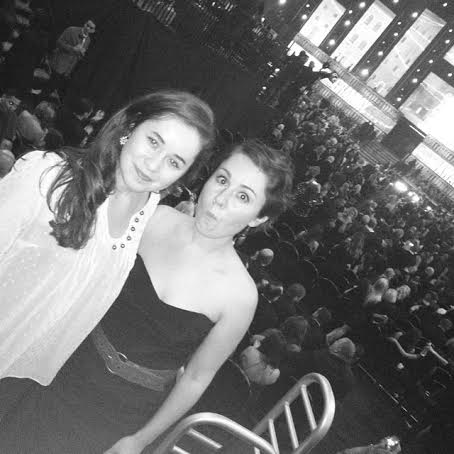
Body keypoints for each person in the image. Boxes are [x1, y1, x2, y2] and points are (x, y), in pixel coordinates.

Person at [0, 139, 294, 453]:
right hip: (67, 357)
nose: (221, 199)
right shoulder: (156, 217)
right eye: (222, 180)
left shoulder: (240, 297)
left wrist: (140, 439)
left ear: (258, 218)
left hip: (123, 410)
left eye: (243, 196)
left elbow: (195, 378)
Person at [0, 90, 215, 388]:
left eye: (175, 162)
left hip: (23, 379)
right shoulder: (48, 177)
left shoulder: (148, 214)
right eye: (153, 141)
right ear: (130, 128)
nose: (154, 165)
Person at [46, 19, 96, 96]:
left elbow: (78, 55)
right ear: (84, 24)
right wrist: (72, 48)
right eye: (87, 25)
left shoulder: (88, 40)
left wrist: (81, 54)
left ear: (93, 31)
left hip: (68, 68)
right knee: (50, 85)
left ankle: (39, 98)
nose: (88, 28)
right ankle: (36, 99)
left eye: (91, 28)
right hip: (58, 62)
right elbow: (59, 42)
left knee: (53, 87)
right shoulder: (71, 30)